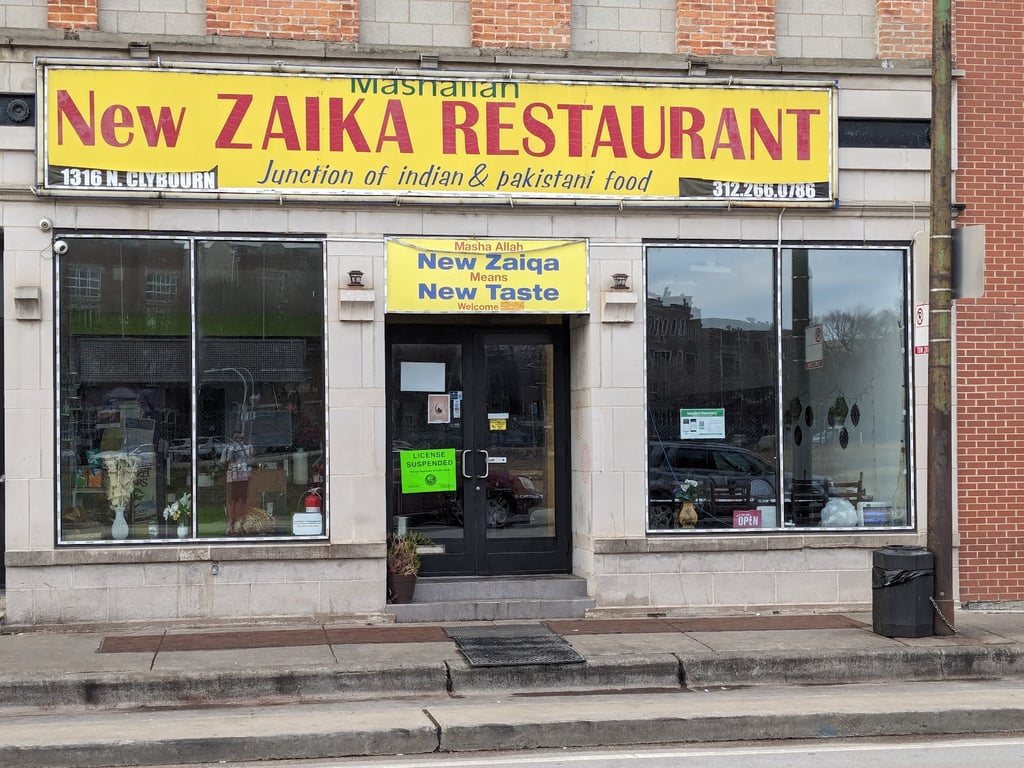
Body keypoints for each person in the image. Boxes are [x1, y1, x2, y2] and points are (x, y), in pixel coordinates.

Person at [221, 430, 253, 534]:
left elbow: (251, 459)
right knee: (231, 500)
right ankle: (231, 523)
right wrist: (230, 453)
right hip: (232, 475)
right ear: (232, 439)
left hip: (243, 475)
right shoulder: (227, 448)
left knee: (242, 499)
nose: (238, 440)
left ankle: (240, 522)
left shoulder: (246, 448)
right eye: (236, 438)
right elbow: (223, 462)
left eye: (240, 438)